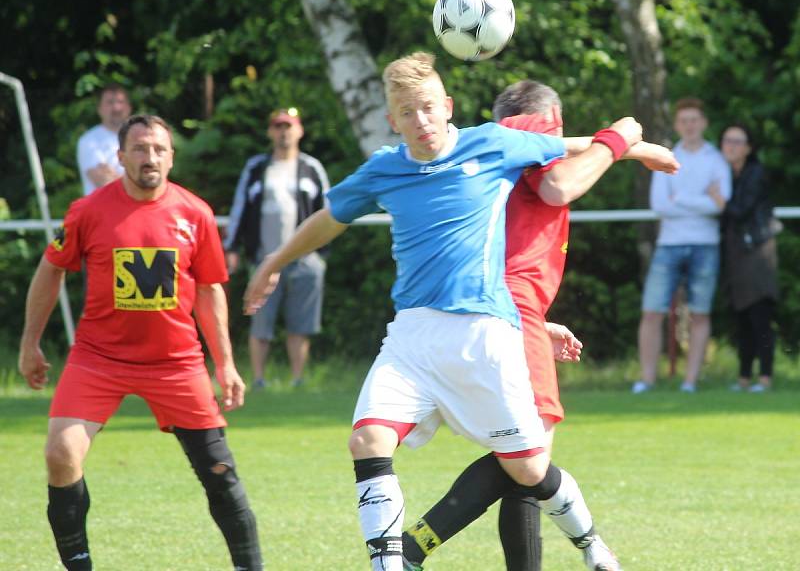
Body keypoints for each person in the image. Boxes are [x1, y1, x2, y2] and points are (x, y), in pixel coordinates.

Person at [244, 52, 665, 571]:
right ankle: (391, 564)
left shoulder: (492, 143)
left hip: (485, 337)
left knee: (530, 468)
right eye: (406, 112)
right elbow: (330, 217)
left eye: (426, 108)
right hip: (412, 337)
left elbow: (567, 149)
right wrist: (275, 261)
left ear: (447, 106)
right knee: (367, 439)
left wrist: (631, 144)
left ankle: (590, 544)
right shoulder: (384, 168)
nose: (419, 121)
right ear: (391, 121)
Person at [399, 80, 678, 571]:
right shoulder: (528, 130)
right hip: (513, 304)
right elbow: (560, 186)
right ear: (548, 119)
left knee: (520, 455)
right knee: (527, 455)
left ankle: (416, 550)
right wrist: (618, 140)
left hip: (492, 306)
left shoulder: (491, 145)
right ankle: (411, 550)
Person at [19, 115, 262, 570]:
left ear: (171, 157)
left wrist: (225, 364)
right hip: (98, 359)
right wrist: (30, 344)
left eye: (159, 149)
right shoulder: (88, 211)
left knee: (220, 474)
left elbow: (210, 291)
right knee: (61, 453)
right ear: (120, 156)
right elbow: (50, 269)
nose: (149, 157)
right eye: (139, 148)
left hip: (176, 364)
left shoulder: (196, 214)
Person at [225, 107, 329, 388]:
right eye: (278, 127)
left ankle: (298, 380)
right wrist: (232, 246)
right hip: (263, 259)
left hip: (305, 260)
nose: (284, 132)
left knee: (301, 325)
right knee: (260, 321)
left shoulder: (312, 168)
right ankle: (258, 380)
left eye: (289, 126)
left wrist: (321, 254)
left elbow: (329, 212)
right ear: (271, 132)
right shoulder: (256, 168)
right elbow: (239, 208)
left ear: (299, 130)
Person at [633, 97, 732, 394]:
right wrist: (704, 199)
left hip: (706, 245)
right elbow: (660, 205)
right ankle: (647, 380)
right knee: (652, 312)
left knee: (700, 314)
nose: (689, 125)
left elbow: (721, 205)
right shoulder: (667, 155)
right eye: (684, 120)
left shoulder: (716, 159)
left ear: (703, 123)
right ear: (677, 125)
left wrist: (683, 200)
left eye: (694, 119)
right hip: (669, 245)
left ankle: (690, 382)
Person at [716, 124, 779, 392]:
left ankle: (764, 377)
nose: (731, 145)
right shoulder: (725, 174)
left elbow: (740, 211)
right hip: (736, 252)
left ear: (748, 148)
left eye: (738, 141)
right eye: (727, 140)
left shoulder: (755, 174)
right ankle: (743, 378)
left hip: (757, 251)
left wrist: (717, 200)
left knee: (759, 315)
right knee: (741, 316)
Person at [76, 84, 131, 195]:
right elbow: (105, 181)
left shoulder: (139, 138)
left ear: (129, 107)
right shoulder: (89, 141)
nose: (116, 107)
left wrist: (118, 175)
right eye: (110, 102)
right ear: (99, 109)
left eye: (120, 102)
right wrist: (138, 177)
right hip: (103, 210)